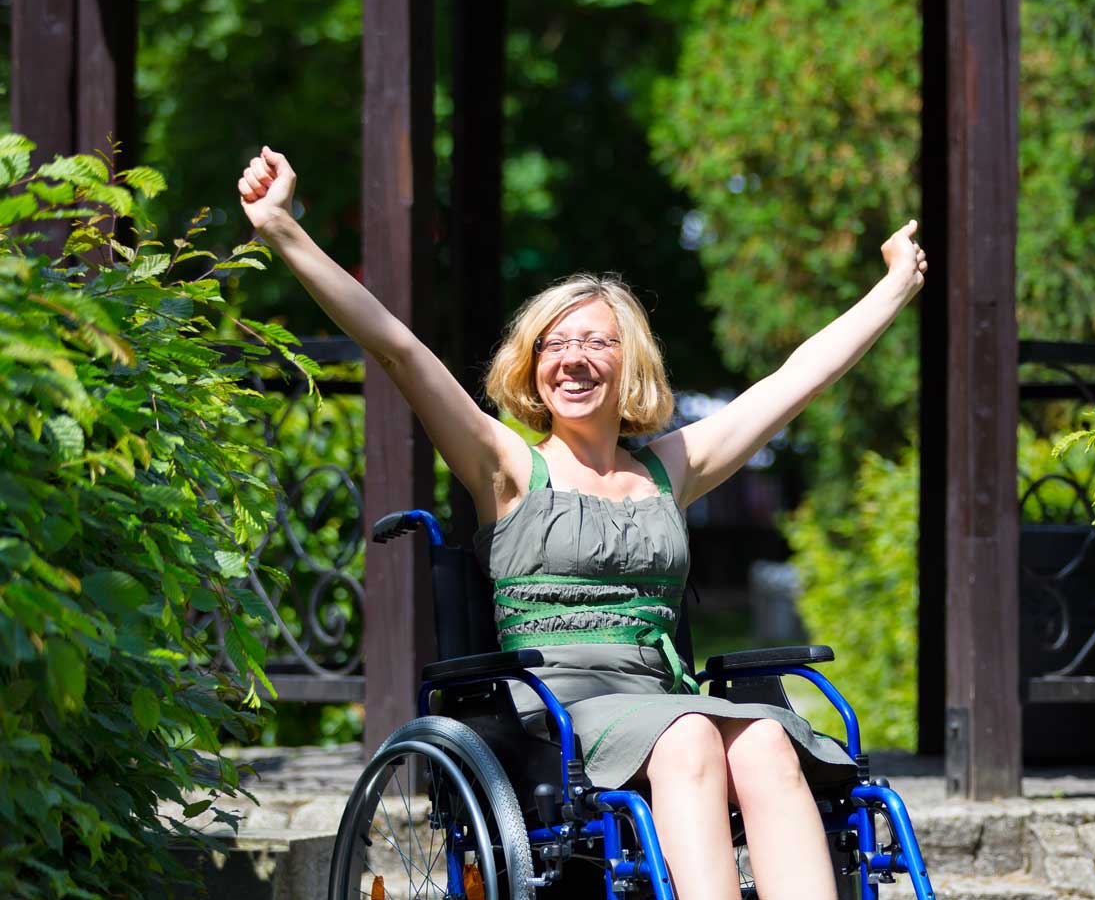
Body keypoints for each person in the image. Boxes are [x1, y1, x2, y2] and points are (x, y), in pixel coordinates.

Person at [236, 145, 925, 900]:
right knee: (693, 735)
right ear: (531, 368)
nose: (572, 358)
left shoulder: (672, 465)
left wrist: (893, 287)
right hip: (556, 710)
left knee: (762, 739)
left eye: (595, 340)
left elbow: (795, 380)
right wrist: (282, 229)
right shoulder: (505, 464)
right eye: (553, 345)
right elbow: (398, 350)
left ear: (628, 362)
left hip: (664, 694)